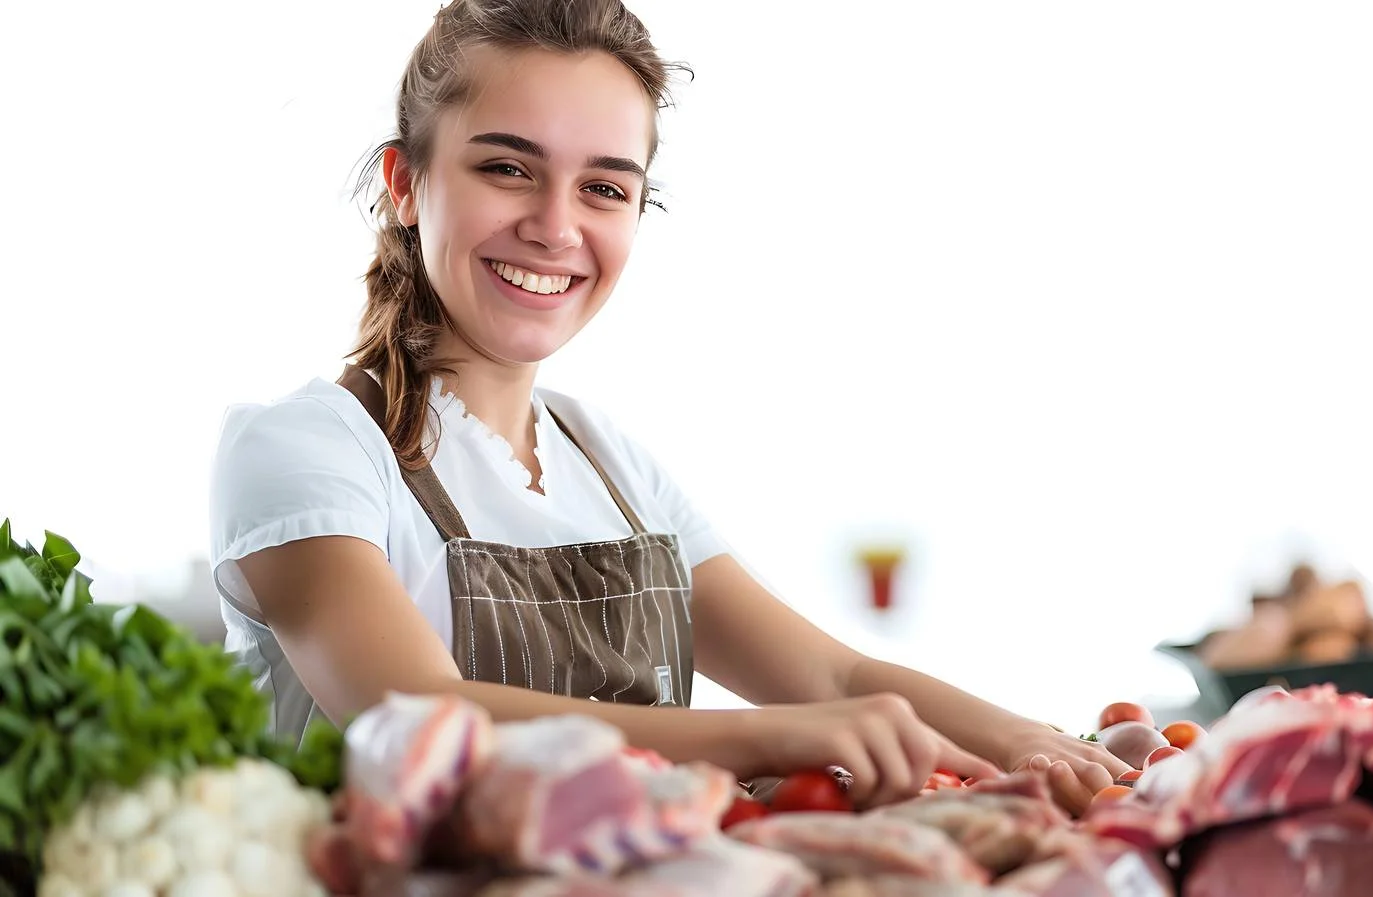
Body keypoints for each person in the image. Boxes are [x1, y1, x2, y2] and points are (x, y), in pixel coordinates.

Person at [208, 0, 1130, 813]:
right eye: (507, 168)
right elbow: (415, 715)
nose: (556, 226)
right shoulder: (309, 447)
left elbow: (834, 673)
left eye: (604, 187)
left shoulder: (607, 462)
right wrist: (776, 736)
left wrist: (1025, 743)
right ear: (407, 184)